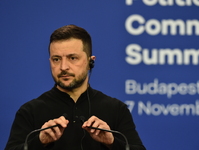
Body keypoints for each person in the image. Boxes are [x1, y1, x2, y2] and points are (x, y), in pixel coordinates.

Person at [5, 24, 146, 150]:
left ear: (90, 61)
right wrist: (39, 142)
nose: (63, 67)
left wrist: (112, 142)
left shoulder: (116, 109)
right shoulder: (30, 111)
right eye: (56, 59)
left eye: (73, 58)